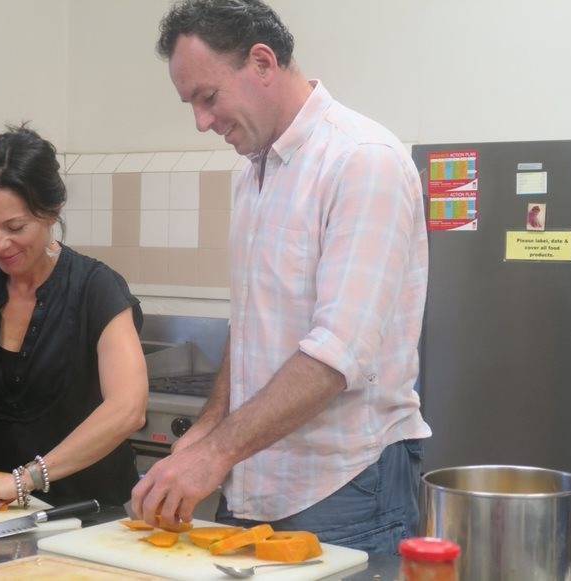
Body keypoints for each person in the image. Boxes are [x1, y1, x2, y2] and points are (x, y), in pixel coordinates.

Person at [131, 0, 431, 553]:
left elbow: (337, 353)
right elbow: (251, 332)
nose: (201, 121)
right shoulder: (253, 173)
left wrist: (216, 453)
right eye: (191, 103)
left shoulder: (363, 161)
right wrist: (206, 431)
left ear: (263, 63)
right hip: (253, 483)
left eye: (208, 96)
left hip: (346, 491)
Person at [0, 126, 148, 510]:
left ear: (51, 212)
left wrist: (22, 480)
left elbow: (128, 409)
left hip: (85, 515)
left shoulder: (96, 289)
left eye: (15, 227)